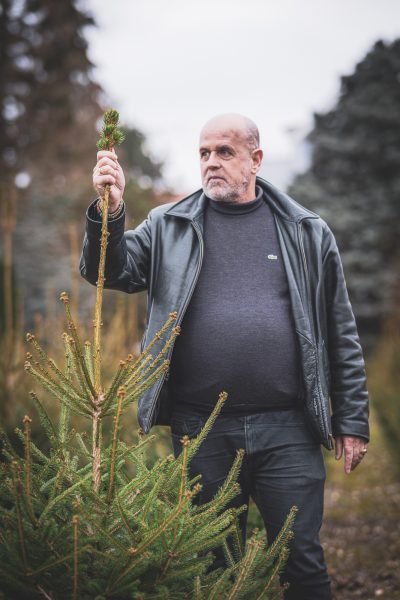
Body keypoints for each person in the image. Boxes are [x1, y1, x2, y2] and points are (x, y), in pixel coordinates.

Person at [80, 113, 370, 599]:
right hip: (202, 431)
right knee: (213, 567)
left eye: (224, 152)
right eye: (203, 153)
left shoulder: (306, 231)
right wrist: (110, 210)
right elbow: (110, 271)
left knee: (300, 560)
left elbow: (340, 329)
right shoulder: (169, 224)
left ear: (255, 159)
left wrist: (353, 420)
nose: (211, 162)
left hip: (289, 429)